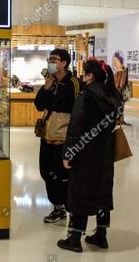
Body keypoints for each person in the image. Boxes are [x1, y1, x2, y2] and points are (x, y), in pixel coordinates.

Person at [57, 59, 123, 253]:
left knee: (80, 191)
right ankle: (101, 236)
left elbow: (75, 128)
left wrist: (68, 153)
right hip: (105, 152)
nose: (83, 76)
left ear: (90, 75)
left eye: (85, 73)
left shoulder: (85, 97)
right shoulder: (114, 96)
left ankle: (75, 238)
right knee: (103, 190)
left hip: (85, 152)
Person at [34, 49, 81, 224]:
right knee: (46, 172)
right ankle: (58, 208)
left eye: (54, 59)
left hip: (64, 139)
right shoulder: (50, 81)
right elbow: (38, 105)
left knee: (63, 176)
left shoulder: (73, 83)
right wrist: (46, 87)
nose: (51, 62)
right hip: (47, 136)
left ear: (64, 63)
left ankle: (72, 212)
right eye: (50, 59)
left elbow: (79, 111)